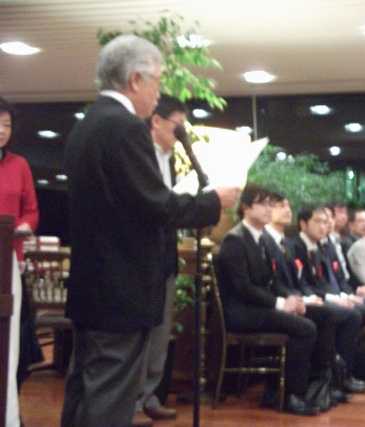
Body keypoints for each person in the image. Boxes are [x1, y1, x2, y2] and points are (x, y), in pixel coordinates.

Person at [60, 35, 239, 427]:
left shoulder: (87, 125)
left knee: (85, 389)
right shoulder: (124, 127)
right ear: (135, 79)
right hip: (120, 286)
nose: (158, 93)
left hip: (93, 283)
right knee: (110, 397)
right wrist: (212, 202)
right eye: (157, 81)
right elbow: (155, 204)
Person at [216, 185, 319, 416]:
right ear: (245, 207)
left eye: (271, 204)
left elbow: (272, 281)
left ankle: (286, 390)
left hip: (259, 308)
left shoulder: (261, 238)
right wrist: (280, 304)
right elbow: (243, 289)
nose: (268, 209)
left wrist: (292, 299)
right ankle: (290, 396)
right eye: (263, 204)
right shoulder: (235, 240)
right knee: (305, 329)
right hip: (241, 312)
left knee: (314, 316)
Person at [263, 193, 357, 406]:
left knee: (332, 314)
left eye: (288, 205)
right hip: (272, 303)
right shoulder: (267, 241)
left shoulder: (285, 243)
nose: (287, 210)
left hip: (292, 297)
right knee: (323, 317)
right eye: (279, 205)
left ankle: (325, 382)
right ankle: (307, 387)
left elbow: (300, 280)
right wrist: (299, 299)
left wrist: (305, 297)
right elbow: (271, 282)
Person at [132, 95, 188, 423]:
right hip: (142, 261)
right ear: (156, 121)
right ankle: (133, 402)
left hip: (165, 255)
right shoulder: (141, 157)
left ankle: (150, 395)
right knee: (142, 331)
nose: (180, 134)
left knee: (161, 332)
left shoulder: (170, 160)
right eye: (177, 126)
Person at [287, 205, 365, 393]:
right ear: (303, 224)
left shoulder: (319, 247)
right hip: (305, 298)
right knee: (348, 315)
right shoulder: (295, 246)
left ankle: (345, 373)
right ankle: (332, 378)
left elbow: (329, 280)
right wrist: (328, 298)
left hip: (320, 296)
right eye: (318, 221)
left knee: (361, 311)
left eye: (326, 222)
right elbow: (302, 281)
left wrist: (342, 296)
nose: (323, 226)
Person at [0, 96, 43, 427]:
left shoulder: (20, 165)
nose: (2, 131)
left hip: (7, 261)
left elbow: (31, 210)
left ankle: (8, 414)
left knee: (8, 340)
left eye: (7, 124)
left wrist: (25, 226)